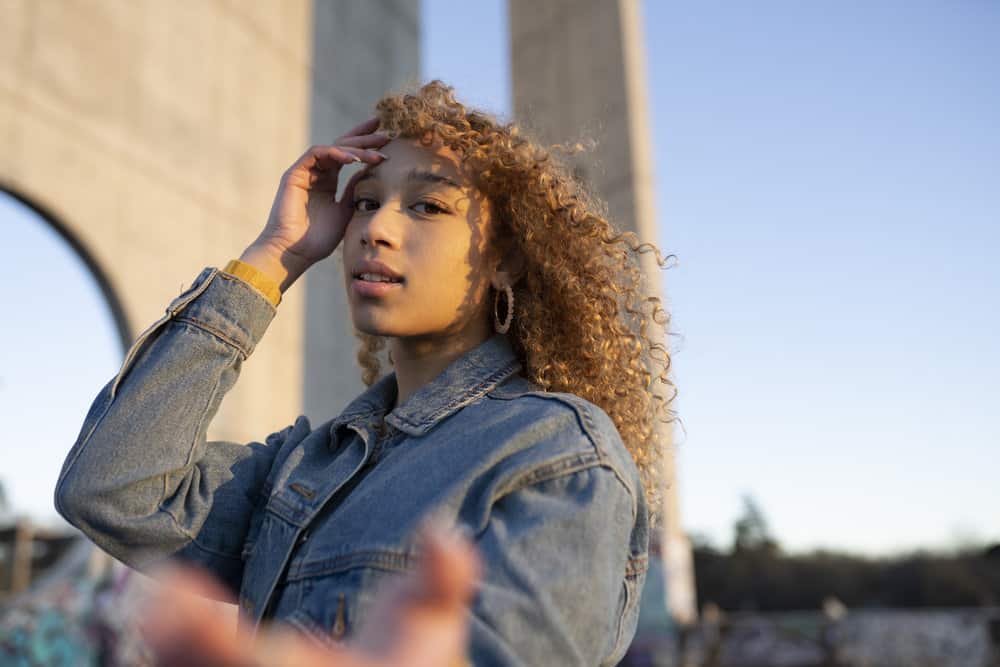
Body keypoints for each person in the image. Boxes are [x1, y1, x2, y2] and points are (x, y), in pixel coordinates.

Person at [54, 79, 675, 666]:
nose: (375, 229)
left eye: (428, 206)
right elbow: (114, 493)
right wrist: (273, 257)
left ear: (506, 258)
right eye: (366, 201)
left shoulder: (558, 452)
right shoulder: (301, 468)